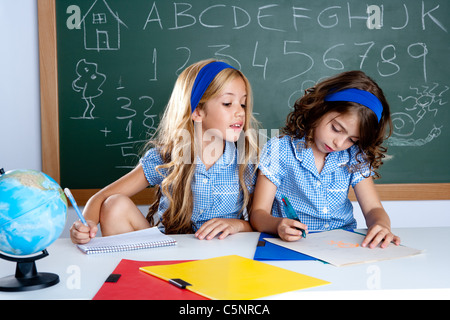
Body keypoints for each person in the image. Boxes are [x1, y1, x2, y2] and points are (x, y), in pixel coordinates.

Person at [70, 59, 259, 244]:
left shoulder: (247, 159)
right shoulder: (166, 158)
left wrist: (238, 225)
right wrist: (85, 226)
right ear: (197, 111)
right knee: (114, 205)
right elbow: (100, 198)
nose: (240, 112)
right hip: (170, 255)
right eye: (228, 103)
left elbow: (260, 222)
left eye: (242, 104)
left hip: (222, 260)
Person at [250, 70, 401, 249]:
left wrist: (381, 225)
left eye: (352, 139)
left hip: (342, 245)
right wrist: (277, 225)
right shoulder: (280, 149)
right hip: (293, 245)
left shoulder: (354, 155)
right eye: (336, 128)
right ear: (320, 109)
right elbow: (258, 214)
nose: (339, 143)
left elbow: (373, 209)